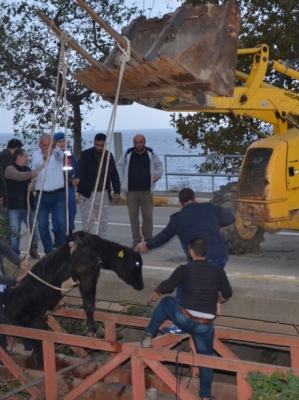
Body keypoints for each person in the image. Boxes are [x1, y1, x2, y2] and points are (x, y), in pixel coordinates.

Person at [140, 237, 232, 400]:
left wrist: (156, 290)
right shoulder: (218, 272)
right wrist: (217, 301)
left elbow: (167, 287)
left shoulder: (185, 269)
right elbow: (227, 294)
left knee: (167, 301)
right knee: (206, 361)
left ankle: (148, 336)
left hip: (185, 319)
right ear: (206, 252)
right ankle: (205, 396)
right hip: (205, 326)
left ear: (190, 251)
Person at [138, 187, 235, 334]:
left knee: (185, 286)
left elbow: (163, 236)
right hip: (221, 254)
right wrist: (215, 222)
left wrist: (147, 245)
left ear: (180, 204)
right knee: (208, 287)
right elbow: (230, 216)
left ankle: (181, 324)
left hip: (201, 257)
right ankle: (204, 323)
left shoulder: (178, 218)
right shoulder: (209, 208)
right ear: (195, 199)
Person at [117, 134, 164, 247]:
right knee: (133, 216)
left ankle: (148, 238)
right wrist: (122, 182)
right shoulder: (127, 154)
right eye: (136, 142)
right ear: (133, 143)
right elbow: (119, 167)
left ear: (144, 142)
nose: (138, 145)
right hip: (131, 191)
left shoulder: (151, 154)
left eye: (140, 142)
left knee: (147, 216)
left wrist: (158, 174)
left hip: (146, 191)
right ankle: (136, 239)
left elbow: (159, 166)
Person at [72, 133, 120, 239]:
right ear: (94, 143)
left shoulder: (108, 156)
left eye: (101, 145)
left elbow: (114, 174)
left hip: (103, 193)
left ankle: (101, 246)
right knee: (88, 224)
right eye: (97, 145)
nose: (99, 148)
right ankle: (86, 246)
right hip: (87, 194)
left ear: (105, 144)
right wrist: (77, 178)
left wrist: (117, 191)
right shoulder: (86, 154)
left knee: (103, 223)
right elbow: (80, 168)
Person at [32, 134, 67, 254]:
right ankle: (49, 253)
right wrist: (44, 158)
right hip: (42, 196)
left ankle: (64, 253)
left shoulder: (58, 152)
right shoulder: (36, 155)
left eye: (49, 145)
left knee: (62, 225)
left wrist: (54, 148)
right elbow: (36, 167)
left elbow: (60, 156)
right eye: (45, 145)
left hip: (58, 195)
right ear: (40, 145)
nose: (47, 147)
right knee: (42, 226)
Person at [4, 149, 41, 259]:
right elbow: (18, 176)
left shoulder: (27, 169)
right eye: (25, 156)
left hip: (28, 205)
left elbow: (30, 182)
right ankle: (15, 255)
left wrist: (32, 186)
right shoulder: (10, 168)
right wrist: (30, 175)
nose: (27, 159)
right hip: (14, 207)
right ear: (18, 157)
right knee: (15, 233)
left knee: (35, 230)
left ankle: (33, 250)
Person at [50, 132, 78, 247]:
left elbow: (75, 168)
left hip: (69, 186)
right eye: (59, 142)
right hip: (56, 187)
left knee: (71, 209)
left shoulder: (69, 154)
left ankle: (69, 233)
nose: (61, 144)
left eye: (63, 141)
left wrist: (75, 176)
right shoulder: (51, 154)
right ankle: (57, 236)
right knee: (56, 212)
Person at [0, 139, 23, 220]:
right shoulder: (8, 157)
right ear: (16, 148)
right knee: (6, 220)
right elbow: (2, 175)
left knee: (2, 219)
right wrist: (4, 193)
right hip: (1, 193)